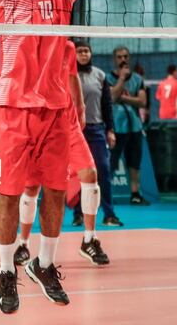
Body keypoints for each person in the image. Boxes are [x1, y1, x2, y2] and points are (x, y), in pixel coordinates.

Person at [0, 0, 126, 313]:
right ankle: (6, 270)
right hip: (11, 104)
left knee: (52, 190)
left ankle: (45, 264)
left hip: (53, 107)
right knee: (10, 193)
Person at [10, 41, 111, 270]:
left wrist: (81, 107)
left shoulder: (67, 46)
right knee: (31, 188)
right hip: (38, 124)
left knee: (90, 175)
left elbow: (72, 76)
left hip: (68, 123)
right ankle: (23, 243)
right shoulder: (24, 44)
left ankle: (89, 238)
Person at [74, 40, 122, 227]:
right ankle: (77, 214)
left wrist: (110, 129)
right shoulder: (68, 75)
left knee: (103, 169)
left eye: (87, 51)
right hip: (75, 130)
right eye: (80, 51)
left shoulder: (100, 75)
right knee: (77, 173)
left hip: (96, 129)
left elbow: (107, 105)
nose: (84, 54)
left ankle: (109, 214)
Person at [108, 45, 150, 206]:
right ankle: (106, 194)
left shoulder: (138, 79)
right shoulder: (107, 78)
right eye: (119, 57)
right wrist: (121, 80)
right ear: (114, 59)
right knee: (111, 162)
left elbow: (142, 102)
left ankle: (135, 194)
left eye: (125, 56)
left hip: (134, 126)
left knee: (134, 162)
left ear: (129, 58)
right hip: (116, 127)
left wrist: (123, 98)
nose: (123, 59)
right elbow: (111, 97)